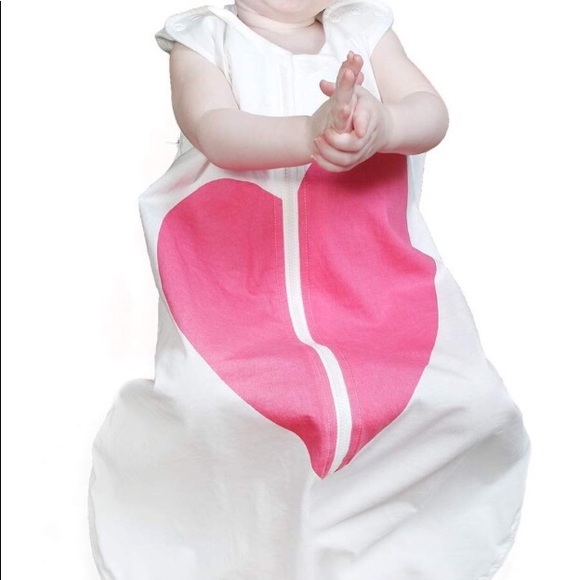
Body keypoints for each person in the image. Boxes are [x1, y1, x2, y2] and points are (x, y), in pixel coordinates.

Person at [88, 1, 530, 579]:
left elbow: (431, 112)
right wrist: (308, 132)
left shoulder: (365, 33)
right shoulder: (204, 40)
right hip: (241, 291)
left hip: (368, 285)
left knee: (464, 394)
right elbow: (215, 129)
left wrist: (385, 123)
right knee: (213, 405)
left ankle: (386, 543)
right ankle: (228, 543)